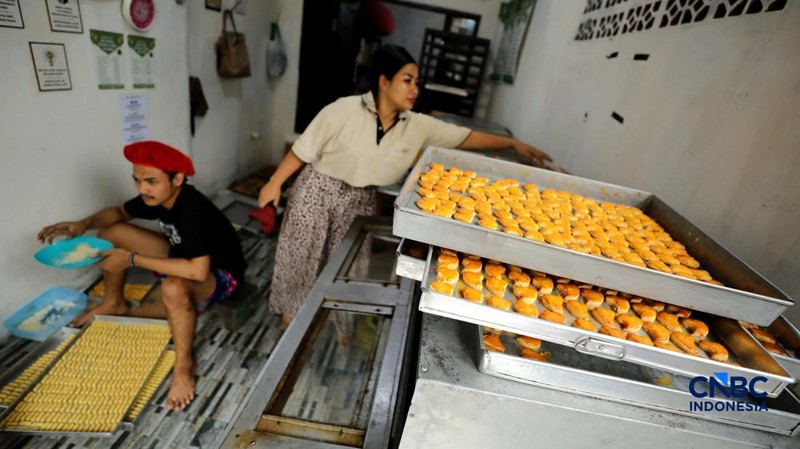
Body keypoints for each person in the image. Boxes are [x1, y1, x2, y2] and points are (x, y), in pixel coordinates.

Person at [259, 44, 552, 327]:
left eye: (417, 82)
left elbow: (465, 137)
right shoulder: (343, 110)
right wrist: (274, 183)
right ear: (384, 81)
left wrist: (513, 143)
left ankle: (335, 329)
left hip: (360, 199)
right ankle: (291, 321)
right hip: (318, 191)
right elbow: (303, 149)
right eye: (407, 80)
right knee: (302, 259)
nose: (415, 89)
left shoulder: (417, 125)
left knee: (346, 267)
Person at [37, 140, 246, 412]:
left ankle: (184, 365)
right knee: (111, 233)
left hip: (220, 274)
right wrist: (84, 224)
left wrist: (132, 259)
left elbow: (197, 270)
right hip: (182, 254)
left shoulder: (192, 209)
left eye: (150, 181)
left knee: (173, 287)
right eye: (136, 180)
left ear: (178, 179)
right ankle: (115, 302)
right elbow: (118, 212)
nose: (142, 189)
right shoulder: (157, 196)